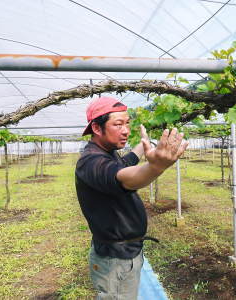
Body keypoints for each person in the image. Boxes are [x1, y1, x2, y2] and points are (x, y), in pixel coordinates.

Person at [75, 96, 188, 300]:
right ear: (97, 128)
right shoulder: (90, 161)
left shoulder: (108, 152)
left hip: (125, 252)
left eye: (127, 123)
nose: (126, 130)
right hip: (115, 259)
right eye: (117, 124)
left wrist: (144, 145)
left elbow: (126, 162)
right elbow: (123, 178)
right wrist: (156, 167)